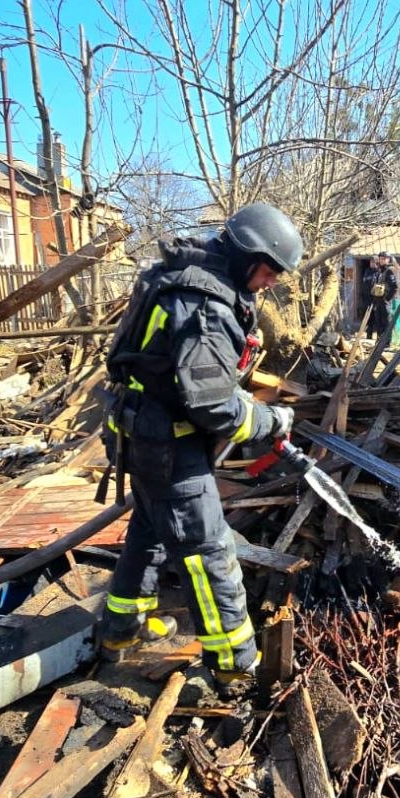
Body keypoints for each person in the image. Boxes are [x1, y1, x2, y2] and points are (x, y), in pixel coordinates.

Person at [98, 202, 301, 688]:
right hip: (168, 445)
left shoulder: (185, 277)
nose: (270, 282)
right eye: (269, 271)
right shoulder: (206, 305)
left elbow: (184, 377)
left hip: (140, 430)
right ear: (246, 255)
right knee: (208, 553)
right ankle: (233, 664)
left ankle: (121, 631)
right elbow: (211, 406)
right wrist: (270, 420)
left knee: (149, 531)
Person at [364, 254, 397, 342]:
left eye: (383, 259)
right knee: (378, 322)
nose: (381, 260)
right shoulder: (380, 271)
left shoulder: (389, 271)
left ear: (388, 259)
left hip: (385, 303)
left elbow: (394, 287)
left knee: (386, 322)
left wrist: (387, 299)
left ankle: (386, 342)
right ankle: (379, 341)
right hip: (378, 302)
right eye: (380, 259)